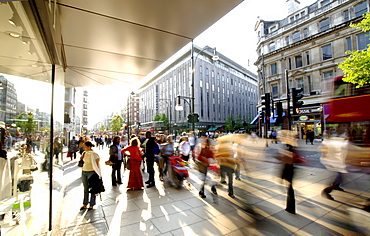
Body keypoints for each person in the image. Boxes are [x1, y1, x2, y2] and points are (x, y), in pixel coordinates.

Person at [80, 141, 101, 210]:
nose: (84, 148)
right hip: (84, 171)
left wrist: (98, 173)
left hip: (92, 172)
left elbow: (98, 164)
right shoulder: (85, 153)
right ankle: (85, 203)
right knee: (85, 188)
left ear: (89, 147)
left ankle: (92, 204)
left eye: (85, 147)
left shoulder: (94, 154)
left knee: (92, 189)